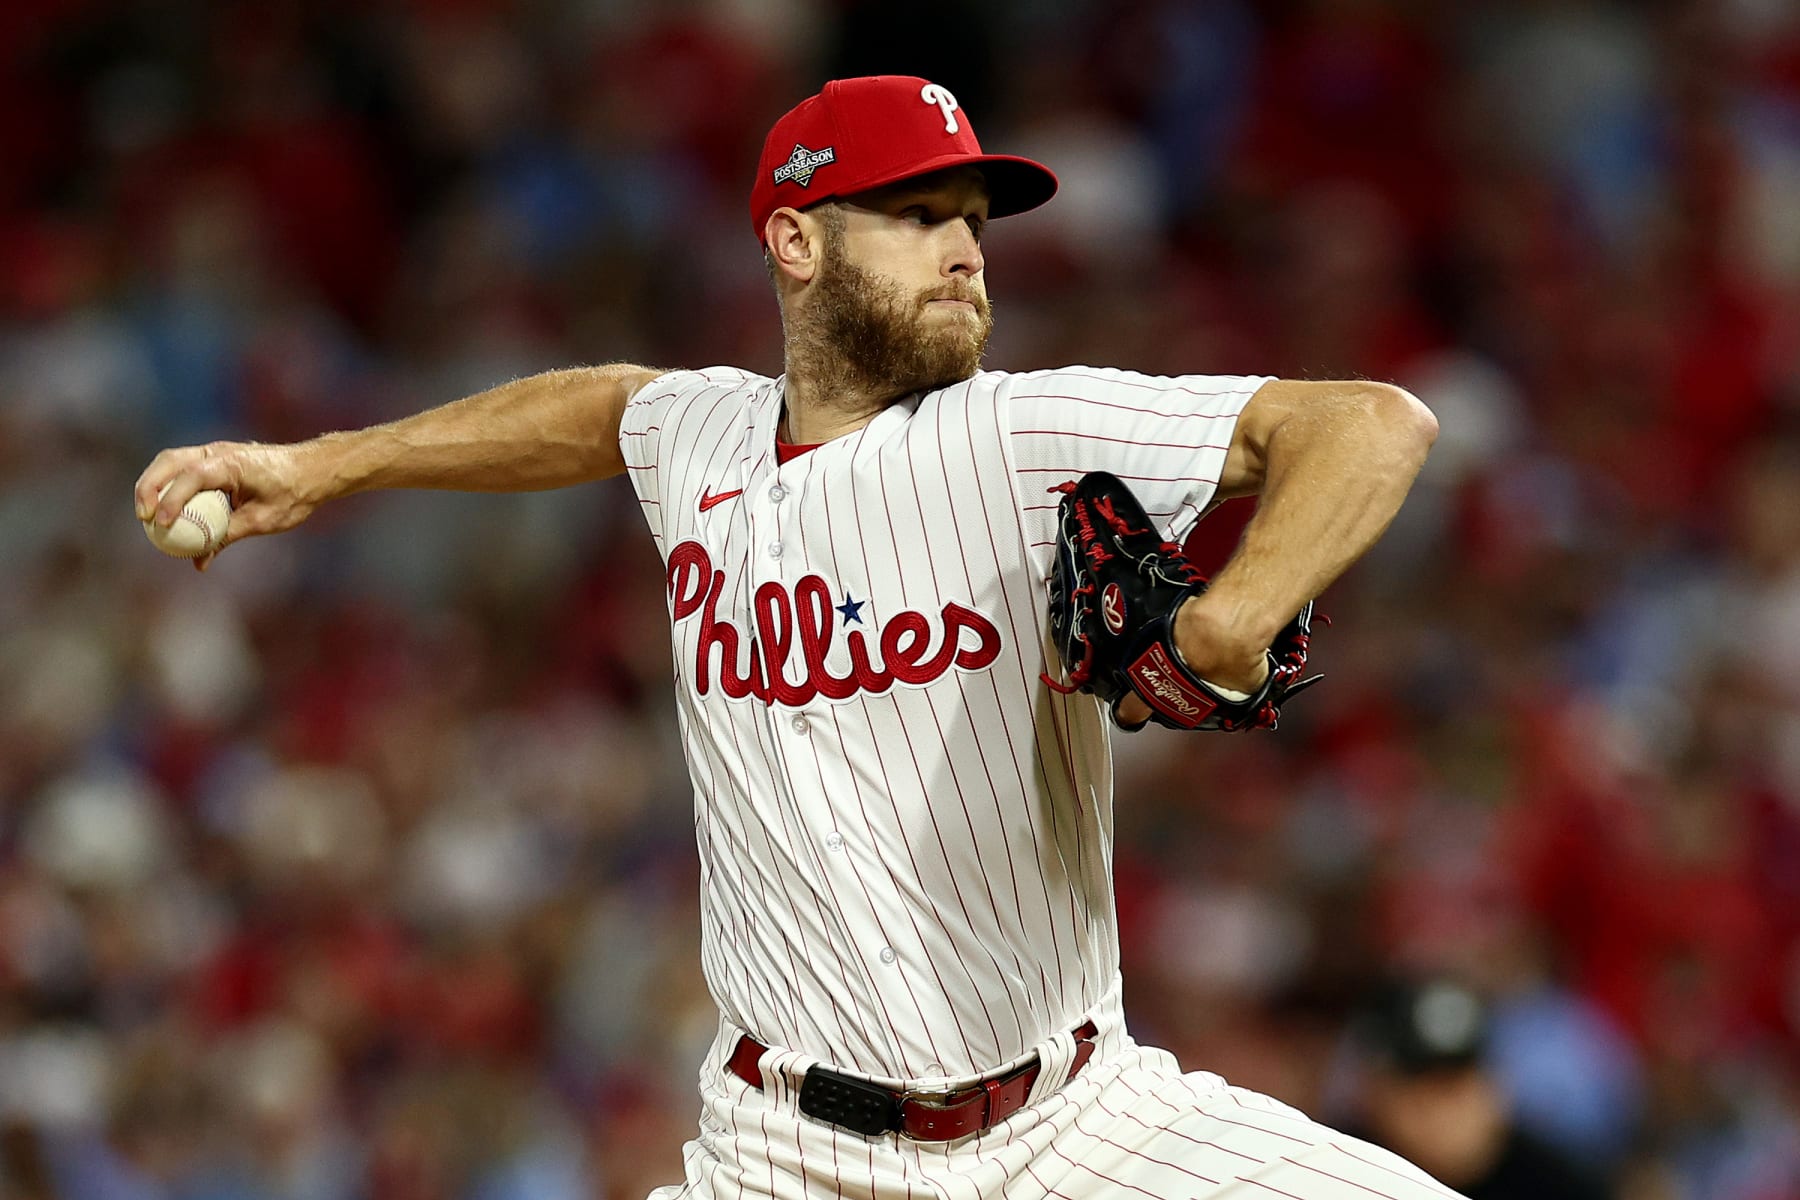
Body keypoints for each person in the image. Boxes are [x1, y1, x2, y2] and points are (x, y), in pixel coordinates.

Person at [136, 75, 1450, 1199]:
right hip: (785, 1154)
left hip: (1074, 1128)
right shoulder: (699, 434)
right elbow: (595, 409)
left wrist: (1235, 609)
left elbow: (1372, 423)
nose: (963, 250)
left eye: (974, 224)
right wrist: (319, 469)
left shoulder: (1019, 433)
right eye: (917, 213)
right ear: (796, 240)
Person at [1344, 979, 1613, 1200]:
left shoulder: (1560, 1185)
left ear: (1498, 1087)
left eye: (1455, 1085)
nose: (1441, 1111)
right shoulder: (1337, 1168)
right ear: (1375, 1093)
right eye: (1420, 1085)